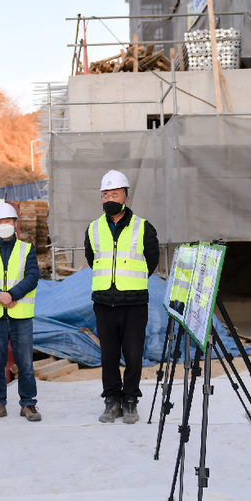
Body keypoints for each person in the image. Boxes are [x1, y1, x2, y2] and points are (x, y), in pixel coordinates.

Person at [84, 170, 159, 424]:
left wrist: (129, 282)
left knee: (134, 354)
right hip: (104, 303)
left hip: (134, 304)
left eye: (114, 194)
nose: (108, 199)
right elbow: (93, 260)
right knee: (108, 355)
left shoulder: (143, 227)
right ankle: (112, 400)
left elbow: (151, 261)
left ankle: (130, 400)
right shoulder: (93, 229)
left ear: (125, 196)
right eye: (105, 195)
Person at [0, 202, 41, 423]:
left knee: (26, 364)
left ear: (15, 224)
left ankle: (28, 403)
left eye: (7, 221)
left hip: (21, 316)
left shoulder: (27, 249)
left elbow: (31, 277)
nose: (3, 225)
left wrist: (11, 295)